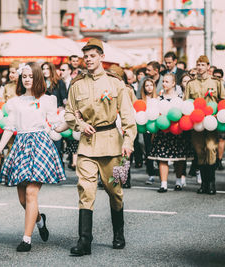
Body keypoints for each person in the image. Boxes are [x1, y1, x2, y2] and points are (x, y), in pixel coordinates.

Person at [63, 38, 136, 256]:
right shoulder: (77, 85)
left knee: (115, 192)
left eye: (92, 56)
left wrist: (128, 142)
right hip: (87, 145)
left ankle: (118, 233)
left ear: (101, 57)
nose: (88, 60)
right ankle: (84, 241)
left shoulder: (115, 83)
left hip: (112, 144)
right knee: (86, 191)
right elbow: (68, 113)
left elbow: (127, 117)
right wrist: (80, 124)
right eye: (85, 56)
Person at [0, 62, 66, 252]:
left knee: (31, 193)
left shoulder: (48, 99)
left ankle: (26, 239)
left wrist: (74, 121)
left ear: (38, 78)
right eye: (24, 76)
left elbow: (57, 123)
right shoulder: (15, 102)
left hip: (41, 145)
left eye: (31, 76)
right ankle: (40, 220)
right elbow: (10, 128)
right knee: (23, 199)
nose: (27, 79)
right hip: (21, 146)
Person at [184, 55, 225, 195]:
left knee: (211, 148)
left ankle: (212, 182)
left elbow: (222, 101)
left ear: (208, 67)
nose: (200, 67)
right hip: (197, 123)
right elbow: (186, 103)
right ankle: (204, 184)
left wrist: (218, 114)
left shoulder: (216, 82)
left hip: (212, 122)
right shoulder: (191, 84)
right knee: (200, 150)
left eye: (202, 64)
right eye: (198, 64)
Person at [148, 74, 193, 192]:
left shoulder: (180, 98)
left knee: (178, 158)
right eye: (163, 81)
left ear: (173, 84)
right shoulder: (159, 98)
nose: (164, 83)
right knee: (162, 158)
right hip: (162, 132)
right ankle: (163, 184)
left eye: (167, 81)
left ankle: (178, 182)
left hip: (176, 131)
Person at [41, 62, 67, 159]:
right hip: (43, 117)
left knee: (57, 146)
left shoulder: (59, 82)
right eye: (43, 69)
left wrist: (63, 109)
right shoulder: (40, 83)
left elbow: (64, 99)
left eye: (47, 68)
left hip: (56, 117)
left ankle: (59, 171)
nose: (45, 71)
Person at [140, 78, 159, 185]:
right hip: (146, 128)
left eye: (151, 85)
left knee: (158, 150)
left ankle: (160, 172)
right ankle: (151, 174)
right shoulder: (142, 101)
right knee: (148, 150)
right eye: (146, 85)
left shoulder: (158, 98)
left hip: (158, 128)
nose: (149, 87)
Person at [213, 68, 225, 170]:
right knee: (212, 139)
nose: (217, 79)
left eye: (219, 77)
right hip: (211, 115)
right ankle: (213, 159)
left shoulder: (224, 86)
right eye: (215, 76)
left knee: (221, 139)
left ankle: (219, 160)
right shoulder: (210, 87)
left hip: (222, 115)